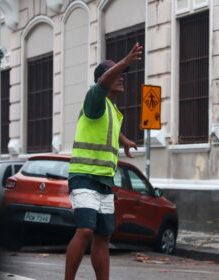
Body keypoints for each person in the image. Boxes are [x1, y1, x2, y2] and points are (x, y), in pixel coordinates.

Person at [64, 43, 143, 280]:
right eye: (117, 74)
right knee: (86, 229)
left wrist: (125, 140)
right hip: (84, 177)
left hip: (105, 181)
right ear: (103, 80)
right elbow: (99, 91)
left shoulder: (112, 109)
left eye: (123, 75)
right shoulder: (94, 98)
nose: (122, 79)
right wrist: (126, 61)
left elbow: (107, 129)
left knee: (103, 236)